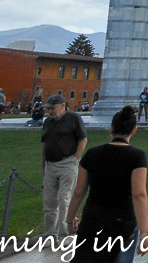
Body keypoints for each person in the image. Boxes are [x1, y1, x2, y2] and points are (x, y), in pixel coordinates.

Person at [66, 106, 148, 263]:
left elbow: (79, 192)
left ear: (111, 128)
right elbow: (139, 194)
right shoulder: (137, 156)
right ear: (134, 130)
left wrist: (70, 220)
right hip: (122, 221)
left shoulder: (92, 153)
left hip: (93, 219)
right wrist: (144, 232)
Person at [42, 94, 88, 240]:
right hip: (50, 164)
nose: (50, 111)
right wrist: (44, 165)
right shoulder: (48, 122)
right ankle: (49, 234)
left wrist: (75, 159)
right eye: (48, 108)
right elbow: (45, 144)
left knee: (64, 199)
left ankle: (64, 233)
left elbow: (83, 139)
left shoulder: (73, 118)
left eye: (52, 108)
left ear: (62, 106)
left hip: (67, 162)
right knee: (49, 202)